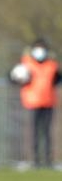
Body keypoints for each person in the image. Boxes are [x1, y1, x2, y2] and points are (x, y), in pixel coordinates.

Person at [17, 38, 60, 168]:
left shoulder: (52, 65)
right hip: (32, 103)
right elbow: (14, 77)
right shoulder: (26, 64)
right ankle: (35, 160)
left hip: (48, 102)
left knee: (47, 133)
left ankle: (47, 160)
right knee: (34, 132)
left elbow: (57, 80)